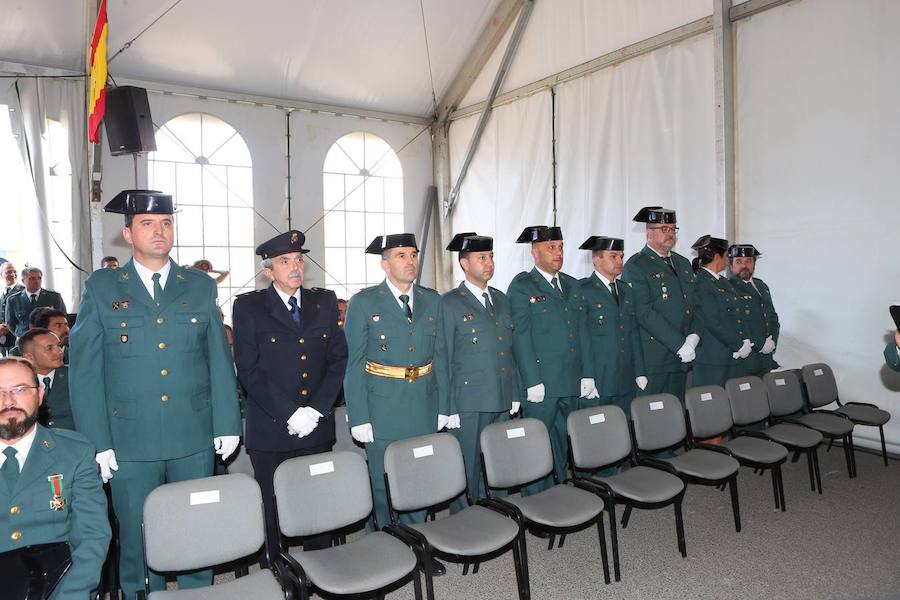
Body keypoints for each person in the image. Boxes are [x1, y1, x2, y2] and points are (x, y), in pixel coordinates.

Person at [68, 189, 241, 597]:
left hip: (193, 435)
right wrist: (97, 443)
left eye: (165, 223)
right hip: (130, 441)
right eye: (147, 224)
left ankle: (199, 593)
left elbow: (218, 358)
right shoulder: (103, 287)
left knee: (196, 528)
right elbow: (86, 372)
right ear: (127, 234)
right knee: (137, 534)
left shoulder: (199, 286)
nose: (158, 231)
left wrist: (227, 422)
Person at [232, 230, 348, 560]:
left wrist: (316, 409)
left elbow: (338, 359)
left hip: (317, 426)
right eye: (285, 261)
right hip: (271, 428)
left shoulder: (323, 302)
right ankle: (278, 572)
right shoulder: (249, 307)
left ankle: (321, 566)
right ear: (268, 270)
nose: (295, 266)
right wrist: (290, 413)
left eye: (298, 260)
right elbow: (249, 368)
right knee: (272, 505)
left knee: (318, 502)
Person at [343, 233, 451, 573]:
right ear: (385, 263)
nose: (410, 261)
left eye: (413, 255)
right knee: (382, 480)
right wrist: (358, 415)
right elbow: (354, 363)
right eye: (401, 255)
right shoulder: (364, 303)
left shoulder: (433, 301)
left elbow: (443, 357)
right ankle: (383, 544)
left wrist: (445, 407)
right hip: (382, 405)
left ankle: (416, 544)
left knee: (419, 478)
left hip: (423, 401)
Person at [0, 356, 110, 597]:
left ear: (39, 394)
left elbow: (92, 536)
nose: (8, 401)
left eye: (19, 389)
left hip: (59, 588)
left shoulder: (74, 453)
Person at [437, 233, 520, 511]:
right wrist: (448, 408)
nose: (489, 263)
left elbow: (510, 350)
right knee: (467, 465)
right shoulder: (449, 303)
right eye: (481, 258)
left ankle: (498, 510)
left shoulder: (501, 299)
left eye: (491, 257)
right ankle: (463, 520)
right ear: (464, 263)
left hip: (501, 394)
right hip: (468, 401)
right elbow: (444, 358)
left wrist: (515, 391)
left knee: (500, 460)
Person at [507, 225, 589, 491]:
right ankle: (535, 501)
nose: (558, 252)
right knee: (536, 442)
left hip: (570, 379)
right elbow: (520, 336)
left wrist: (587, 373)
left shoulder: (573, 285)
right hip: (542, 382)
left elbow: (582, 332)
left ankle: (559, 490)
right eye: (551, 247)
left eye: (561, 246)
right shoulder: (522, 286)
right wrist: (531, 381)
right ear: (534, 252)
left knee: (562, 441)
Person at [622, 207, 699, 400]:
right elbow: (644, 312)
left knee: (675, 415)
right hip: (655, 358)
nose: (670, 234)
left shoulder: (683, 264)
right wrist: (679, 344)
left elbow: (694, 305)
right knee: (652, 416)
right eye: (664, 229)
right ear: (649, 232)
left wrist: (693, 337)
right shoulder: (636, 265)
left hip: (682, 357)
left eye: (673, 229)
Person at [578, 236, 647, 416]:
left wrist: (640, 371)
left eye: (621, 256)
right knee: (598, 433)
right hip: (600, 377)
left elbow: (633, 332)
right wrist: (588, 375)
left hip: (625, 377)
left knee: (624, 432)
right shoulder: (583, 290)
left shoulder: (626, 290)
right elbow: (581, 337)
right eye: (613, 256)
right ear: (596, 259)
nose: (619, 261)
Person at [690, 236, 752, 388]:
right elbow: (713, 321)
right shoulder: (701, 282)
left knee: (734, 405)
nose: (727, 259)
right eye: (726, 256)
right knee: (714, 407)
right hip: (713, 358)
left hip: (731, 355)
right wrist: (738, 344)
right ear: (718, 257)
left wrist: (744, 339)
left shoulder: (722, 281)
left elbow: (737, 314)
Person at [727, 244, 780, 377]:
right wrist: (761, 344)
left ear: (754, 264)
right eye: (738, 262)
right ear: (731, 265)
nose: (744, 266)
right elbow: (735, 324)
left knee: (765, 396)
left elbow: (773, 318)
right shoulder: (728, 288)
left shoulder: (762, 286)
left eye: (748, 261)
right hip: (744, 361)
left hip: (765, 360)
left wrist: (773, 341)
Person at [18, 328, 72, 430]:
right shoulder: (18, 382)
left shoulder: (74, 376)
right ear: (28, 357)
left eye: (59, 345)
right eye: (49, 348)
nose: (59, 351)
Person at [4, 267, 66, 338]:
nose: (36, 281)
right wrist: (20, 334)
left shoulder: (54, 297)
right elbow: (10, 323)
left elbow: (62, 317)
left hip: (48, 338)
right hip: (24, 339)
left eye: (39, 278)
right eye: (32, 278)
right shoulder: (13, 300)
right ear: (23, 281)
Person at [0, 262, 23, 356]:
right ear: (1, 274)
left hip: (17, 335)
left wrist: (8, 327)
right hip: (3, 336)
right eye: (9, 272)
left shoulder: (23, 291)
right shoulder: (2, 293)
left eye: (14, 271)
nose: (13, 274)